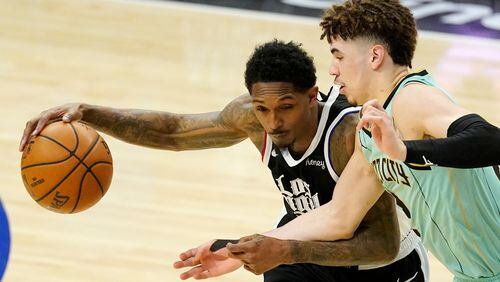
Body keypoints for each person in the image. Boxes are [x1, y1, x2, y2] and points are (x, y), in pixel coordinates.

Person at [19, 40, 428, 281]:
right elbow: (174, 131)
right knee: (280, 265)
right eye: (262, 108)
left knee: (284, 253)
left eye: (285, 107)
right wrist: (88, 113)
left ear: (311, 96)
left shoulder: (346, 134)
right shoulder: (254, 118)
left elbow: (379, 243)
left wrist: (285, 250)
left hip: (384, 266)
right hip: (306, 251)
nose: (273, 121)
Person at [204, 1, 499, 282]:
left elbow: (490, 139)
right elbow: (339, 215)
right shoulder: (370, 128)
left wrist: (405, 150)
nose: (332, 69)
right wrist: (243, 248)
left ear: (374, 56)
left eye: (339, 56)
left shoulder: (412, 97)